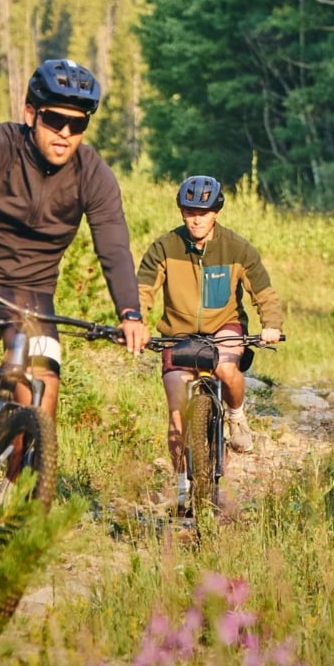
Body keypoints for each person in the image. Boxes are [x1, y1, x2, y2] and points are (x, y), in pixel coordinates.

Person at [0, 57, 149, 506]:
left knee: (41, 396)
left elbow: (113, 245)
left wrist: (130, 312)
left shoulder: (93, 174)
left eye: (77, 125)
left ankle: (17, 507)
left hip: (30, 295)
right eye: (55, 120)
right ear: (31, 113)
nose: (65, 134)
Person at [137, 173, 284, 511]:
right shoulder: (164, 247)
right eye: (189, 211)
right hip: (178, 333)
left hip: (225, 326)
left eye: (203, 211)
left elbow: (263, 292)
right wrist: (137, 321)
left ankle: (235, 415)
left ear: (216, 211)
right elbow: (143, 288)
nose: (196, 218)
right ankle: (182, 487)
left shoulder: (237, 247)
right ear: (181, 211)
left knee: (225, 366)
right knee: (176, 411)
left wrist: (271, 325)